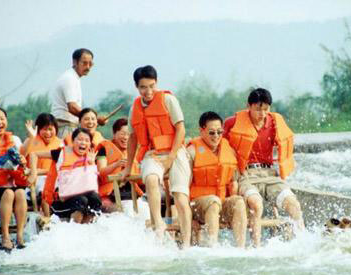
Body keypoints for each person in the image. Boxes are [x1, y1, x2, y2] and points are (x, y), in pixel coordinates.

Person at [121, 65, 192, 247]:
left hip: (175, 151)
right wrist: (128, 167)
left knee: (179, 195)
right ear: (137, 87)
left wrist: (171, 157)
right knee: (151, 179)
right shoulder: (134, 108)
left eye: (152, 86)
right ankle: (158, 225)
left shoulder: (168, 100)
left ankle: (186, 242)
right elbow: (133, 139)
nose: (148, 91)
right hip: (153, 153)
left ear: (157, 83)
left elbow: (180, 129)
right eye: (143, 87)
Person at [224, 88, 305, 230]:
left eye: (266, 109)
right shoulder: (232, 123)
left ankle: (303, 240)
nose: (262, 114)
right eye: (258, 109)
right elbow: (221, 148)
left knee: (294, 204)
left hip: (269, 175)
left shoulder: (275, 123)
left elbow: (285, 143)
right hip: (245, 175)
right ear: (248, 106)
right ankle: (256, 248)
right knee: (256, 204)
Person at [187, 111, 249, 247]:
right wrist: (189, 218)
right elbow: (183, 189)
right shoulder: (191, 152)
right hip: (197, 207)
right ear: (201, 131)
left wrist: (231, 210)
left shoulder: (229, 151)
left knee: (238, 201)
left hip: (220, 203)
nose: (216, 136)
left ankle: (241, 249)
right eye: (211, 132)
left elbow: (233, 183)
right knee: (213, 202)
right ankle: (212, 248)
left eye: (219, 132)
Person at [28, 128, 101, 223]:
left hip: (81, 199)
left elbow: (91, 185)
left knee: (95, 198)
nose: (83, 143)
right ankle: (74, 230)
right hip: (59, 202)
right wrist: (33, 173)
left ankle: (88, 229)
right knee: (81, 200)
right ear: (73, 141)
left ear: (90, 144)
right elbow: (34, 154)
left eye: (87, 140)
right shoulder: (60, 153)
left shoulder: (90, 157)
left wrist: (91, 163)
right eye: (79, 139)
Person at [0, 107, 28, 250]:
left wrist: (22, 160)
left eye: (2, 119)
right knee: (9, 193)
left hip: (9, 186)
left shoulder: (14, 140)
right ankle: (5, 236)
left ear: (6, 121)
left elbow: (23, 161)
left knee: (20, 193)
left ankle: (20, 236)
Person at [51, 48, 107, 138]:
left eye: (90, 64)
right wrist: (94, 119)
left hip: (69, 126)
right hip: (65, 127)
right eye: (84, 63)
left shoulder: (73, 77)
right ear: (75, 62)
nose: (88, 67)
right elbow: (72, 107)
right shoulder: (70, 78)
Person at [21, 113, 63, 217]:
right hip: (35, 183)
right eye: (44, 129)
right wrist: (31, 137)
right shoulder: (30, 141)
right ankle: (46, 219)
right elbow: (21, 157)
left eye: (50, 129)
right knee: (45, 189)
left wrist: (38, 171)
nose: (48, 133)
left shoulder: (61, 144)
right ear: (38, 129)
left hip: (55, 179)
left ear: (56, 129)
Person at [96, 118, 141, 212]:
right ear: (114, 133)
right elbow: (101, 172)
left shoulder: (137, 151)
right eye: (122, 133)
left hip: (131, 190)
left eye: (128, 134)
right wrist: (116, 164)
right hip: (109, 193)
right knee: (113, 209)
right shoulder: (104, 149)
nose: (125, 137)